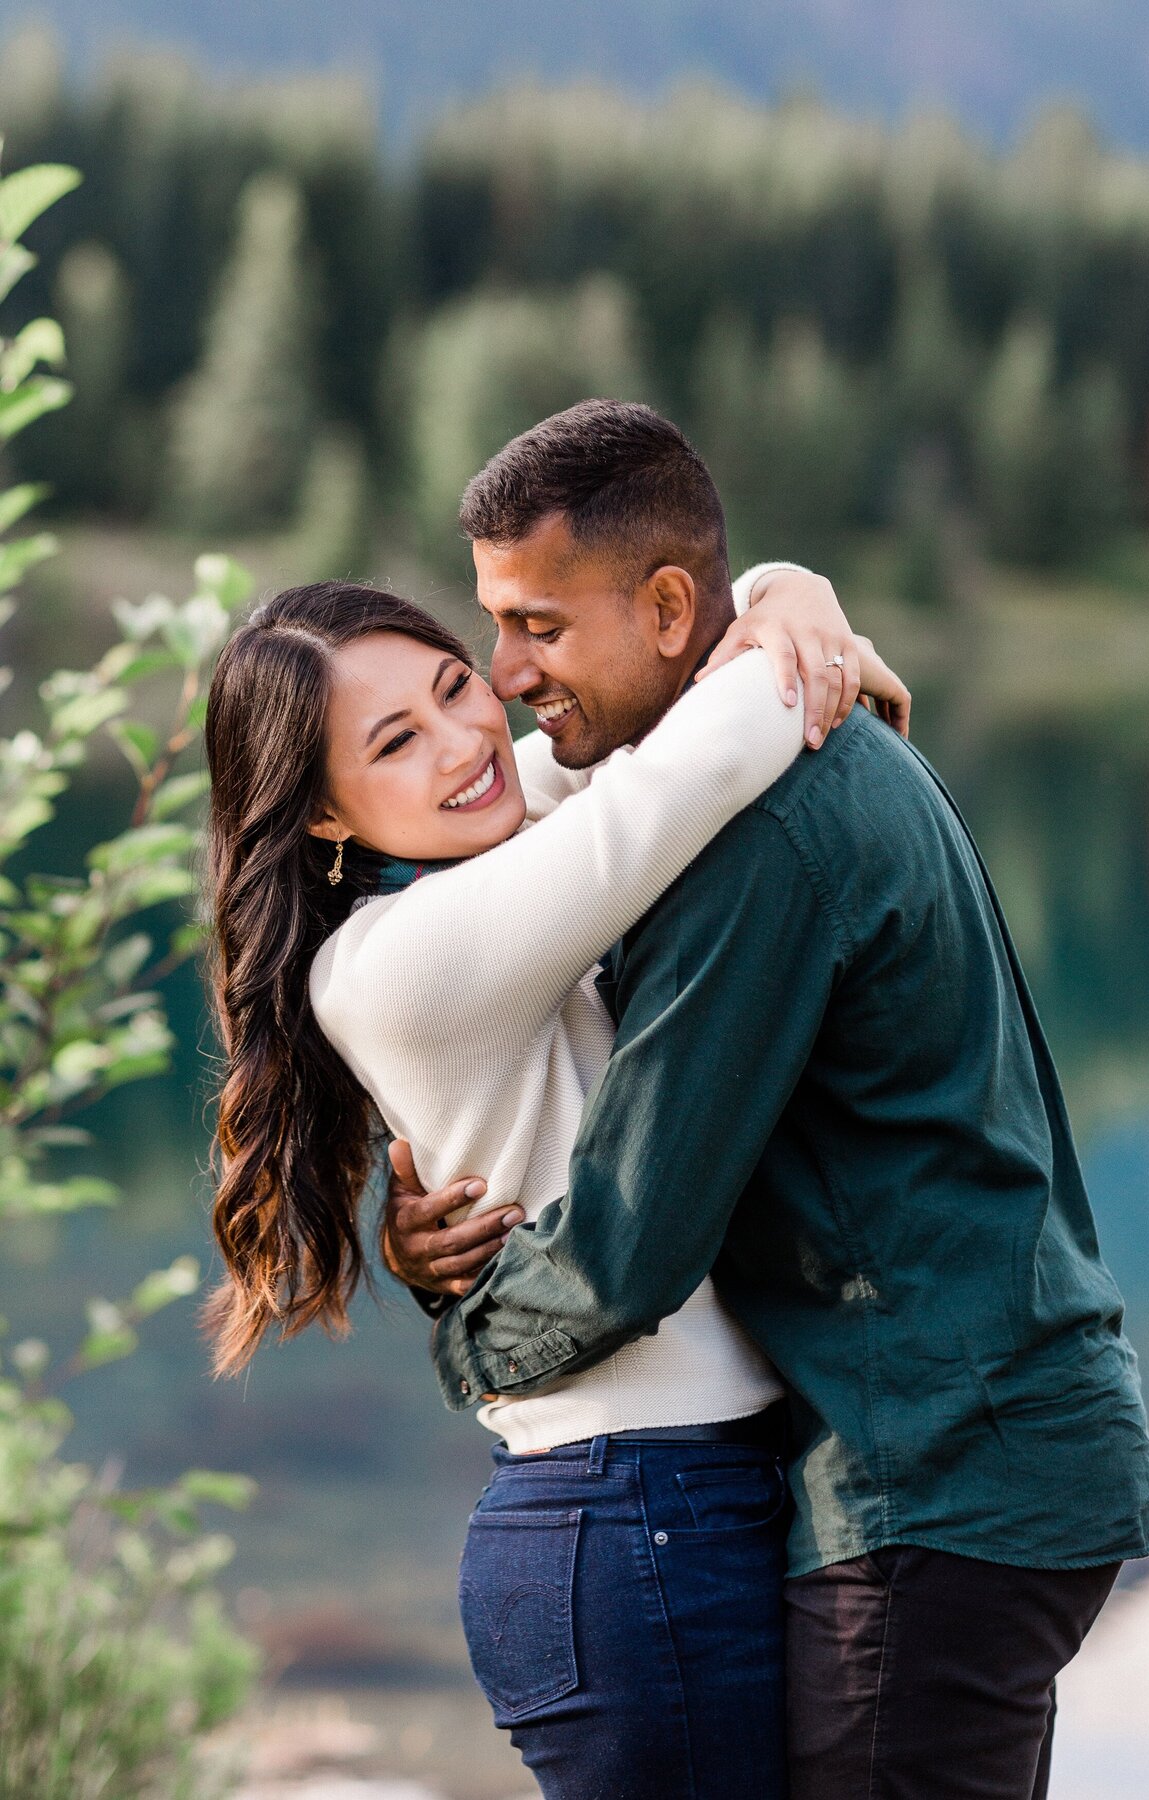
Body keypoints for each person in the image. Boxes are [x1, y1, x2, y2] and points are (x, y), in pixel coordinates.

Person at [386, 399, 1149, 1800]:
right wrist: (782, 586)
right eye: (494, 625)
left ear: (672, 608)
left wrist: (466, 1335)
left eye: (540, 628)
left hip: (935, 1477)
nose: (504, 673)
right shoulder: (771, 761)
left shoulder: (762, 835)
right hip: (986, 1456)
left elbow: (633, 1237)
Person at [201, 534, 911, 1794]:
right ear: (319, 813)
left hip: (675, 1503)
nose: (463, 744)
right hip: (638, 1521)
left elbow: (660, 698)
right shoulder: (410, 956)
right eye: (393, 744)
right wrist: (801, 613)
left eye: (451, 687)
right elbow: (688, 773)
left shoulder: (485, 857)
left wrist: (785, 588)